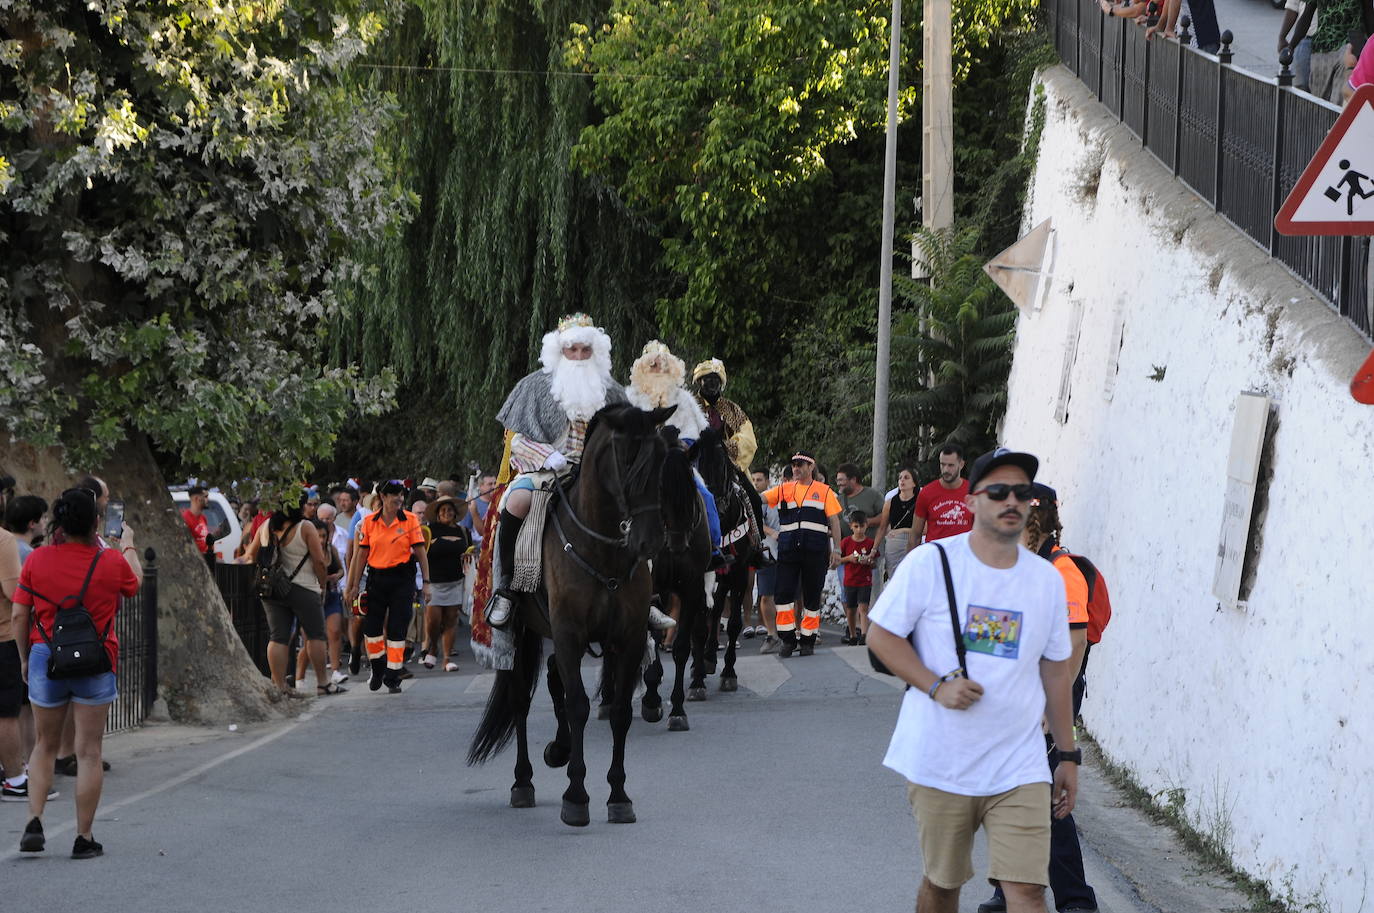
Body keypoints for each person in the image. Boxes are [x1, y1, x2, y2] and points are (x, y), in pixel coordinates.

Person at [866, 448, 1079, 913]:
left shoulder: (1045, 580)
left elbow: (1055, 670)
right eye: (998, 491)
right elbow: (880, 635)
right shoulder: (932, 563)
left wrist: (1067, 754)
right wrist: (936, 684)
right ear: (971, 502)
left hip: (1017, 763)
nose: (1012, 501)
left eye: (1022, 493)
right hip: (942, 760)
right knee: (943, 886)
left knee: (1027, 890)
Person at [978, 482, 1097, 913]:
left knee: (1045, 799)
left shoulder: (1061, 572)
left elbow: (1076, 643)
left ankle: (1076, 900)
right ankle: (1009, 890)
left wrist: (1052, 708)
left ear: (1037, 521)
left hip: (1049, 699)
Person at [12, 487, 142, 858]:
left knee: (44, 745)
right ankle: (83, 838)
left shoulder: (37, 560)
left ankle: (34, 821)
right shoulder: (111, 561)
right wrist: (127, 544)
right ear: (96, 523)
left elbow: (21, 614)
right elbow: (135, 585)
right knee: (88, 752)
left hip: (45, 658)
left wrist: (25, 658)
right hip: (96, 661)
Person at [483, 313, 629, 629]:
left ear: (596, 351)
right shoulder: (532, 386)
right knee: (516, 502)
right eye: (571, 349)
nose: (577, 356)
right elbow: (515, 438)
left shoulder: (614, 391)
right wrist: (546, 455)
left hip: (602, 475)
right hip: (546, 470)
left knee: (638, 510)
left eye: (584, 350)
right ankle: (507, 587)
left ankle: (648, 598)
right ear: (558, 351)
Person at [625, 340, 726, 567]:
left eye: (663, 366)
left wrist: (680, 444)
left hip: (677, 463)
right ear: (643, 368)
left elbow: (696, 435)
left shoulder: (683, 399)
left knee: (705, 495)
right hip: (642, 465)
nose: (658, 370)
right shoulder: (631, 398)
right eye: (653, 365)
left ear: (671, 368)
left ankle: (713, 547)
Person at [243, 492, 341, 696]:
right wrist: (322, 586)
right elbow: (319, 561)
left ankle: (279, 686)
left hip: (272, 590)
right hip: (304, 587)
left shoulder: (267, 525)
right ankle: (323, 683)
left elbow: (250, 556)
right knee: (315, 634)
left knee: (278, 636)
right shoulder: (305, 527)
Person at [345, 479, 432, 693]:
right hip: (377, 579)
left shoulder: (410, 520)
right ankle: (377, 668)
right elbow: (361, 555)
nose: (399, 501)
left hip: (402, 580)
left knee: (397, 628)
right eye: (395, 497)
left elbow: (421, 553)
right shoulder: (369, 523)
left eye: (402, 497)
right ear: (382, 498)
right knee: (372, 629)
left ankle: (393, 675)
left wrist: (427, 583)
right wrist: (354, 584)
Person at [760, 451, 844, 657]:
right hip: (788, 551)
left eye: (800, 464)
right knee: (783, 596)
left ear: (811, 467)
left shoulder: (824, 491)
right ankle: (787, 640)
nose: (796, 468)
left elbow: (834, 522)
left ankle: (808, 640)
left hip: (815, 551)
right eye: (794, 464)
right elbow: (759, 498)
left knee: (812, 598)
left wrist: (837, 549)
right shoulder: (782, 489)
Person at [422, 495, 472, 671]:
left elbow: (469, 553)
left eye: (450, 509)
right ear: (437, 514)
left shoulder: (463, 531)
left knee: (451, 619)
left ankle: (447, 659)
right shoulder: (429, 531)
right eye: (443, 510)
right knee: (433, 621)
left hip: (456, 581)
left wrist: (468, 556)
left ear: (455, 513)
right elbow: (421, 554)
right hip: (434, 582)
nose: (447, 512)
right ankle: (433, 647)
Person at [914, 443, 974, 544]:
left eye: (950, 465)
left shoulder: (973, 492)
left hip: (963, 554)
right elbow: (915, 535)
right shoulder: (926, 493)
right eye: (943, 464)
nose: (946, 470)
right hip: (935, 555)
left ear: (961, 464)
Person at [749, 469, 782, 651]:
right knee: (766, 595)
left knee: (786, 596)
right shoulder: (757, 501)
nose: (756, 483)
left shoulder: (783, 497)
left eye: (759, 479)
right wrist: (772, 532)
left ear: (768, 481)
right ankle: (771, 634)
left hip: (786, 551)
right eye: (753, 479)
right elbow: (756, 523)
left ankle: (787, 632)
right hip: (767, 552)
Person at [839, 511, 876, 645]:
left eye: (862, 526)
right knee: (851, 609)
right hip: (850, 580)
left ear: (867, 526)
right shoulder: (846, 542)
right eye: (856, 527)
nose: (859, 530)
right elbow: (838, 560)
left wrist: (869, 562)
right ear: (851, 527)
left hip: (864, 580)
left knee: (863, 608)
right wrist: (849, 558)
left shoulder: (870, 543)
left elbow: (874, 563)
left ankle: (864, 634)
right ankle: (853, 634)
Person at [874, 468, 918, 580]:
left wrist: (902, 530)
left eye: (906, 478)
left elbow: (925, 528)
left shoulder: (920, 501)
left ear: (914, 483)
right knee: (895, 578)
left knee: (912, 577)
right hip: (894, 544)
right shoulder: (890, 502)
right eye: (900, 478)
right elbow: (882, 528)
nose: (902, 480)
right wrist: (874, 548)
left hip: (913, 541)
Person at [835, 463, 883, 534]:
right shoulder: (838, 500)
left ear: (853, 479)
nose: (838, 483)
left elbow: (885, 516)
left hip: (869, 544)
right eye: (837, 480)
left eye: (841, 480)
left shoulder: (872, 495)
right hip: (845, 544)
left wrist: (867, 522)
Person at [4, 495, 48, 562]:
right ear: (32, 524)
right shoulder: (28, 554)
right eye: (43, 517)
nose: (46, 520)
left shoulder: (4, 543)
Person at [181, 484, 213, 567]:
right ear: (196, 498)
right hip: (195, 562)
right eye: (205, 496)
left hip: (207, 560)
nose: (208, 499)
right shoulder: (185, 519)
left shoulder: (203, 518)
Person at [463, 472, 497, 548]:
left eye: (495, 483)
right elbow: (465, 529)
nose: (494, 486)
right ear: (481, 486)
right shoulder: (472, 504)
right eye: (490, 484)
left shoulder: (499, 503)